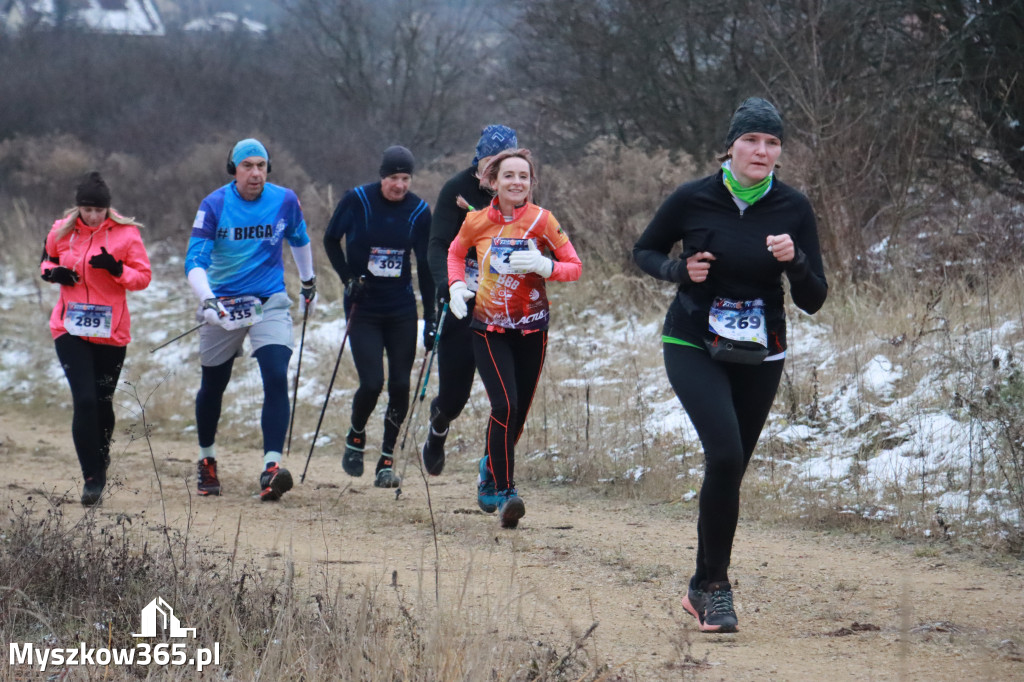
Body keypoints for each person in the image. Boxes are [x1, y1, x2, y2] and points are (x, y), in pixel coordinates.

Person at [633, 98, 828, 633]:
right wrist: (680, 269)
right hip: (693, 338)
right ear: (730, 147)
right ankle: (717, 590)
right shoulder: (693, 198)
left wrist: (797, 262)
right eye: (752, 141)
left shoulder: (793, 208)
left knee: (731, 466)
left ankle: (701, 584)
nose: (761, 151)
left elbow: (814, 298)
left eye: (772, 143)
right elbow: (644, 250)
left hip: (761, 350)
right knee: (723, 452)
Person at [446, 148, 582, 528]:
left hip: (532, 328)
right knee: (504, 406)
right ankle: (506, 492)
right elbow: (455, 255)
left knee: (518, 411)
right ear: (494, 181)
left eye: (524, 176)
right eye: (509, 176)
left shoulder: (543, 220)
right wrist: (457, 286)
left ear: (531, 182)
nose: (517, 182)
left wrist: (545, 265)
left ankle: (490, 466)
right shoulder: (475, 221)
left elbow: (575, 267)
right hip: (488, 327)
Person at [185, 138, 318, 502]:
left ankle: (271, 467)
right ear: (234, 170)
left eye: (261, 165)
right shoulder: (214, 205)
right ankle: (207, 459)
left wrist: (308, 281)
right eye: (247, 166)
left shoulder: (284, 200)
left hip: (269, 300)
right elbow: (194, 261)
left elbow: (299, 237)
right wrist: (208, 300)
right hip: (224, 304)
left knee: (276, 373)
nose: (255, 173)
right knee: (214, 383)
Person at [323, 145, 434, 489]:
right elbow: (331, 239)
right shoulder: (358, 200)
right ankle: (355, 437)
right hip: (364, 306)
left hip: (400, 307)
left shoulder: (418, 211)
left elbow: (427, 268)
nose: (399, 185)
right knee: (372, 383)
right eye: (393, 178)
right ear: (381, 176)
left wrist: (430, 318)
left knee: (401, 385)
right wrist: (347, 279)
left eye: (405, 178)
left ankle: (386, 460)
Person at [40, 171, 152, 506]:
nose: (92, 216)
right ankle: (91, 477)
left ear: (107, 209)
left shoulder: (126, 235)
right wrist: (54, 273)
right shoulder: (62, 230)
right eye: (87, 210)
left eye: (98, 210)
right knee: (85, 400)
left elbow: (143, 278)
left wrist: (117, 269)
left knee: (103, 402)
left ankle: (100, 461)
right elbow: (46, 262)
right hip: (69, 328)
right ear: (78, 208)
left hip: (111, 332)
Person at [420, 124, 519, 476]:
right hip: (462, 302)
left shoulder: (518, 192)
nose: (498, 174)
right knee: (454, 398)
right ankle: (438, 427)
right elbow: (436, 246)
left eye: (506, 164)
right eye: (491, 163)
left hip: (502, 309)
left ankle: (494, 473)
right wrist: (450, 288)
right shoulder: (456, 190)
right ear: (479, 159)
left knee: (507, 400)